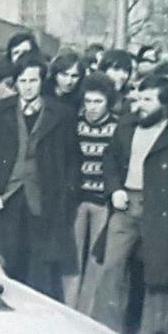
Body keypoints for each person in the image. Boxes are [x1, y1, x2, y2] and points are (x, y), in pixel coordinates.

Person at [88, 74, 168, 334]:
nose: (140, 104)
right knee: (111, 266)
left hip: (161, 208)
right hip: (126, 204)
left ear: (165, 104)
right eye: (139, 98)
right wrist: (114, 189)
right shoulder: (127, 125)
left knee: (158, 272)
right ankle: (107, 329)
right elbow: (111, 160)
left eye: (148, 100)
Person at [0, 53, 81, 299]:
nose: (28, 86)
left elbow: (73, 161)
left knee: (41, 271)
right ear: (15, 83)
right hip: (7, 198)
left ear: (42, 81)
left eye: (33, 81)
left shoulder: (62, 114)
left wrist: (65, 198)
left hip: (44, 203)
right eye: (23, 81)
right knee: (7, 262)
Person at [69, 72, 119, 312]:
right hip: (78, 199)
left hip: (102, 201)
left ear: (108, 101)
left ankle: (88, 312)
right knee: (72, 257)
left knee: (96, 259)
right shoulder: (75, 124)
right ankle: (69, 308)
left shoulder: (116, 127)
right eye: (88, 101)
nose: (92, 107)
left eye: (98, 101)